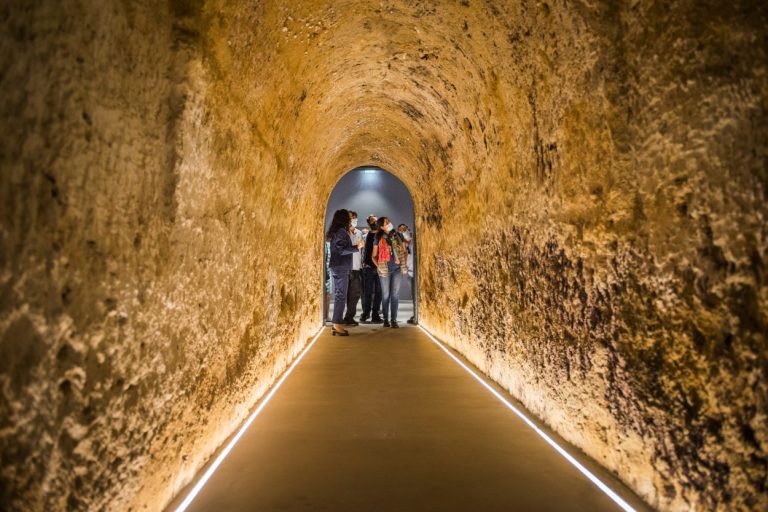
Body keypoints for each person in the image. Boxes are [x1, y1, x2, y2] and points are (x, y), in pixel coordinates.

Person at [326, 209, 365, 336]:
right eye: (348, 217)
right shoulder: (341, 232)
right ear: (343, 218)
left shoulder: (339, 231)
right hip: (340, 266)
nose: (350, 219)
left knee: (340, 295)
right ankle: (337, 324)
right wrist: (357, 247)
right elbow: (340, 250)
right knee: (341, 296)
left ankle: (336, 324)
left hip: (339, 266)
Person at [372, 217, 408, 328]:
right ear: (381, 227)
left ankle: (394, 320)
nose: (389, 223)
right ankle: (386, 320)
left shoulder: (397, 235)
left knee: (395, 295)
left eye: (389, 222)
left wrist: (402, 263)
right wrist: (379, 267)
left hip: (397, 269)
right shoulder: (378, 237)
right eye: (386, 223)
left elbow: (405, 251)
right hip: (384, 270)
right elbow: (373, 256)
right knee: (386, 295)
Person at [360, 214, 383, 323]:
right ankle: (366, 313)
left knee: (379, 292)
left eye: (376, 220)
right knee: (367, 292)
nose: (374, 222)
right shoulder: (366, 236)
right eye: (372, 220)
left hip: (380, 268)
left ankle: (375, 315)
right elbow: (363, 252)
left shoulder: (382, 236)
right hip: (368, 268)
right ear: (369, 222)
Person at [343, 211, 363, 325]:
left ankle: (349, 317)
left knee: (355, 293)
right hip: (346, 267)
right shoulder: (343, 233)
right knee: (344, 294)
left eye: (355, 218)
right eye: (351, 218)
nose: (353, 220)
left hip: (356, 268)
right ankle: (339, 319)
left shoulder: (359, 233)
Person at [398, 223, 416, 324]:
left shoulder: (415, 241)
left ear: (408, 229)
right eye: (400, 230)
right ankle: (415, 314)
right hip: (410, 273)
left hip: (418, 273)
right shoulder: (402, 244)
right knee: (413, 295)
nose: (403, 231)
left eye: (404, 229)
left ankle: (417, 315)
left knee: (417, 294)